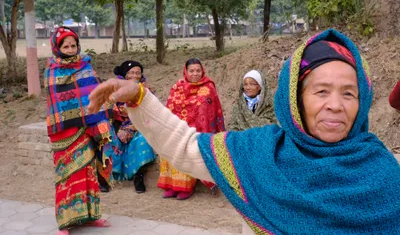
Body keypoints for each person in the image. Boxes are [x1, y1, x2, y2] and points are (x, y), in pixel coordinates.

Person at [88, 29, 400, 234]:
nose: (336, 105)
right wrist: (139, 98)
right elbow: (184, 145)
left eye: (349, 93)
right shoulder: (258, 154)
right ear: (295, 99)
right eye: (321, 91)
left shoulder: (383, 171)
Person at [44, 26, 113, 235]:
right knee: (67, 175)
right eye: (66, 46)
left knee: (88, 172)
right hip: (66, 132)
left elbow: (95, 93)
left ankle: (92, 216)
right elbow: (56, 101)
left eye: (74, 45)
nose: (71, 49)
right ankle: (65, 223)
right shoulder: (52, 71)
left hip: (88, 128)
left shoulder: (86, 67)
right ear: (57, 48)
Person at [158, 58, 225, 200]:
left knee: (187, 147)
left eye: (198, 71)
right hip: (178, 127)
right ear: (186, 72)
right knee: (171, 144)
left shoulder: (208, 88)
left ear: (202, 71)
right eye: (191, 71)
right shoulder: (178, 87)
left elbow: (210, 112)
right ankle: (172, 185)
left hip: (197, 131)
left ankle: (186, 187)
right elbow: (170, 108)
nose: (195, 74)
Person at [111, 60, 156, 193]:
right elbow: (110, 112)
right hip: (119, 127)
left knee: (142, 141)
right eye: (131, 73)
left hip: (141, 126)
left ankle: (139, 177)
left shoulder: (146, 91)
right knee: (109, 141)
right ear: (125, 75)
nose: (135, 76)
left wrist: (132, 127)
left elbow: (151, 113)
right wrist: (120, 128)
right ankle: (107, 178)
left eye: (138, 73)